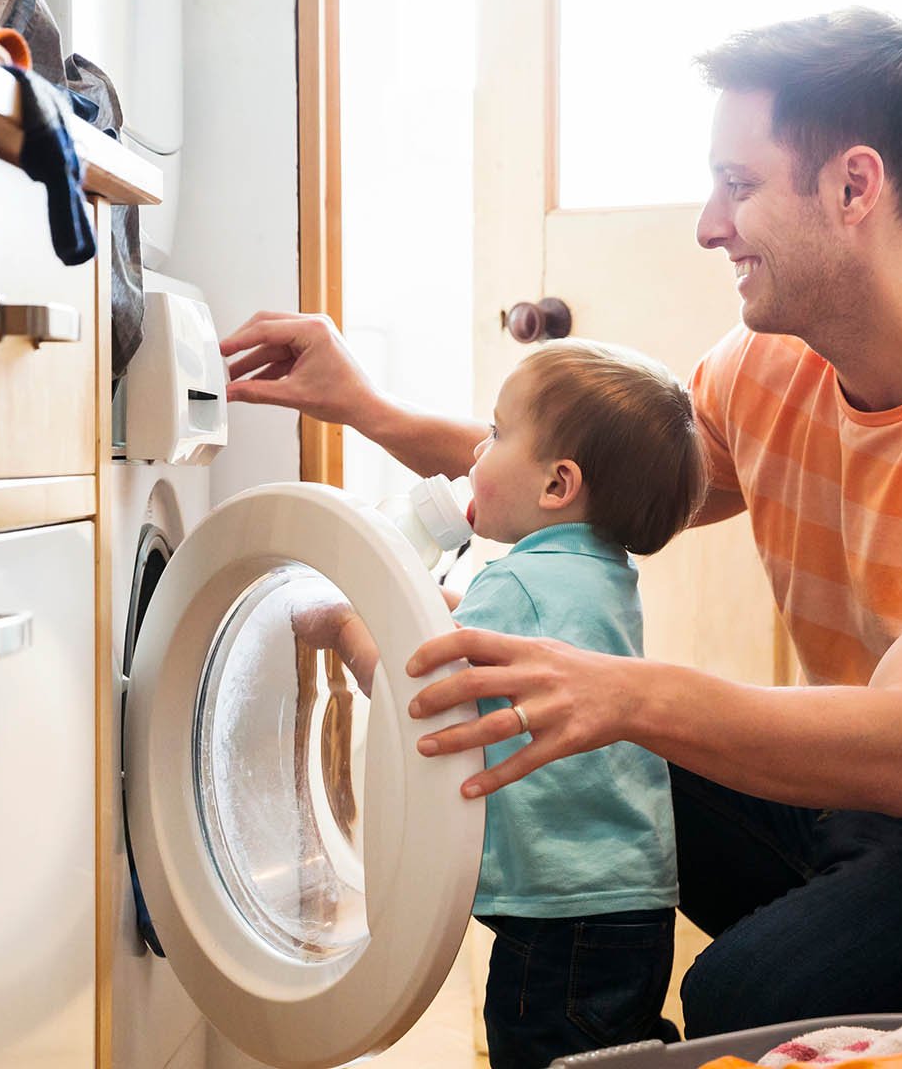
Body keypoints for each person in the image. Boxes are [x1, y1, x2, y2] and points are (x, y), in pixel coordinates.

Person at [226, 7, 902, 1037]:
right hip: (858, 822)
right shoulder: (771, 368)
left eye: (737, 185)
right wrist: (366, 405)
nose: (709, 224)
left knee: (738, 996)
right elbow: (586, 482)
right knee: (580, 752)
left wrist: (619, 691)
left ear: (855, 187)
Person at [294, 340, 707, 1068]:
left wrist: (345, 625)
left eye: (494, 433)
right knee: (616, 1049)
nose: (474, 453)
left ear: (557, 485)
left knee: (544, 1052)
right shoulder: (599, 575)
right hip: (626, 898)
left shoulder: (517, 585)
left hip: (558, 915)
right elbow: (484, 636)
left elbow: (427, 686)